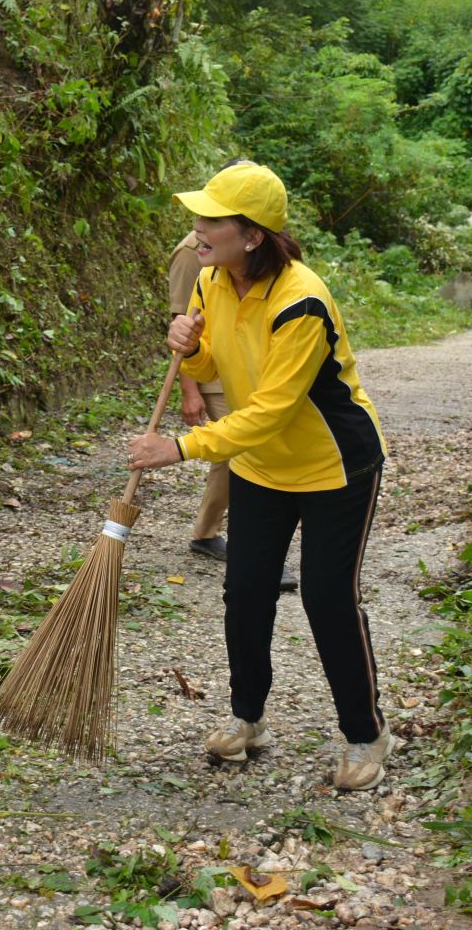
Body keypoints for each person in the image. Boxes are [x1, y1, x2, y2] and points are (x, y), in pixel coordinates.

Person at [129, 163, 392, 791]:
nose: (196, 231)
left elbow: (272, 410)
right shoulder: (213, 280)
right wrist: (189, 344)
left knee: (328, 599)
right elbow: (217, 359)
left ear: (252, 235)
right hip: (260, 468)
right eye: (198, 218)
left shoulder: (301, 300)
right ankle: (248, 719)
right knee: (245, 592)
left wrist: (182, 447)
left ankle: (366, 734)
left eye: (210, 221)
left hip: (334, 466)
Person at [170, 225, 298, 593]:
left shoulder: (273, 272)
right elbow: (183, 324)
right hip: (213, 375)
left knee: (239, 449)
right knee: (241, 449)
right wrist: (189, 391)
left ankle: (217, 535)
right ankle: (245, 548)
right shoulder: (191, 253)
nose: (199, 224)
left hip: (242, 372)